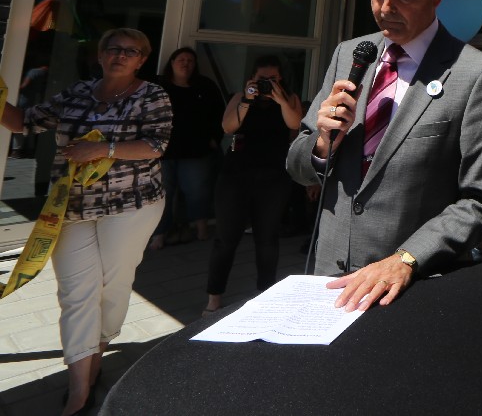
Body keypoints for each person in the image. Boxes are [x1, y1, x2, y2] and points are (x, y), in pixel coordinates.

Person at [287, 0, 482, 310]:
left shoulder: (476, 75)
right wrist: (323, 142)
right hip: (330, 280)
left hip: (406, 290)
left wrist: (407, 258)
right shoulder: (348, 55)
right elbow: (297, 167)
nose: (385, 8)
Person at [1, 29, 171, 416]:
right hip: (71, 207)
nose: (120, 55)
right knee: (76, 293)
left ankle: (96, 354)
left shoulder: (152, 95)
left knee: (113, 286)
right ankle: (80, 389)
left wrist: (102, 148)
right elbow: (23, 122)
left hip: (131, 206)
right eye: (113, 48)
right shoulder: (77, 93)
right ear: (100, 54)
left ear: (142, 60)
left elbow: (156, 145)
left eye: (131, 51)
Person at [203, 54, 303, 314]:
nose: (267, 84)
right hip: (235, 176)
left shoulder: (290, 99)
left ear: (281, 79)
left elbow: (294, 123)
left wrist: (280, 99)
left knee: (267, 238)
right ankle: (214, 298)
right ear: (252, 78)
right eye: (262, 79)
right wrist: (247, 99)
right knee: (225, 238)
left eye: (273, 79)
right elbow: (228, 127)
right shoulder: (240, 97)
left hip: (273, 178)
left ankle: (264, 294)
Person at [152, 47, 224, 248]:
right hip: (163, 151)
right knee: (162, 194)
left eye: (190, 60)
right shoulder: (158, 86)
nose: (186, 63)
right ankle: (160, 233)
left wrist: (215, 139)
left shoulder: (205, 86)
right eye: (181, 59)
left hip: (196, 150)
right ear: (172, 62)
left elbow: (220, 113)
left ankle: (201, 227)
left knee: (198, 191)